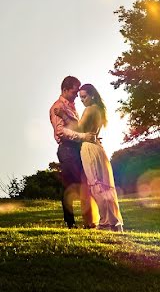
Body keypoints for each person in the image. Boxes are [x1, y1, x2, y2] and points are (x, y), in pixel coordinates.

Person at [67, 83, 124, 232]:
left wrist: (64, 116)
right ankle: (113, 222)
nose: (82, 100)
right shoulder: (100, 110)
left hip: (89, 149)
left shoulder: (89, 110)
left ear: (92, 95)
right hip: (99, 148)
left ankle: (105, 223)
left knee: (96, 185)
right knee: (105, 186)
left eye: (84, 96)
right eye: (80, 97)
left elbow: (78, 130)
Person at [49, 76, 97, 228]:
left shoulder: (72, 106)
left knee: (84, 184)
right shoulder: (57, 107)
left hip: (77, 148)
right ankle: (70, 222)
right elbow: (61, 131)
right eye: (74, 92)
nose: (77, 95)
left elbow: (76, 126)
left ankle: (88, 222)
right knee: (71, 186)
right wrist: (83, 136)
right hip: (67, 149)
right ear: (64, 90)